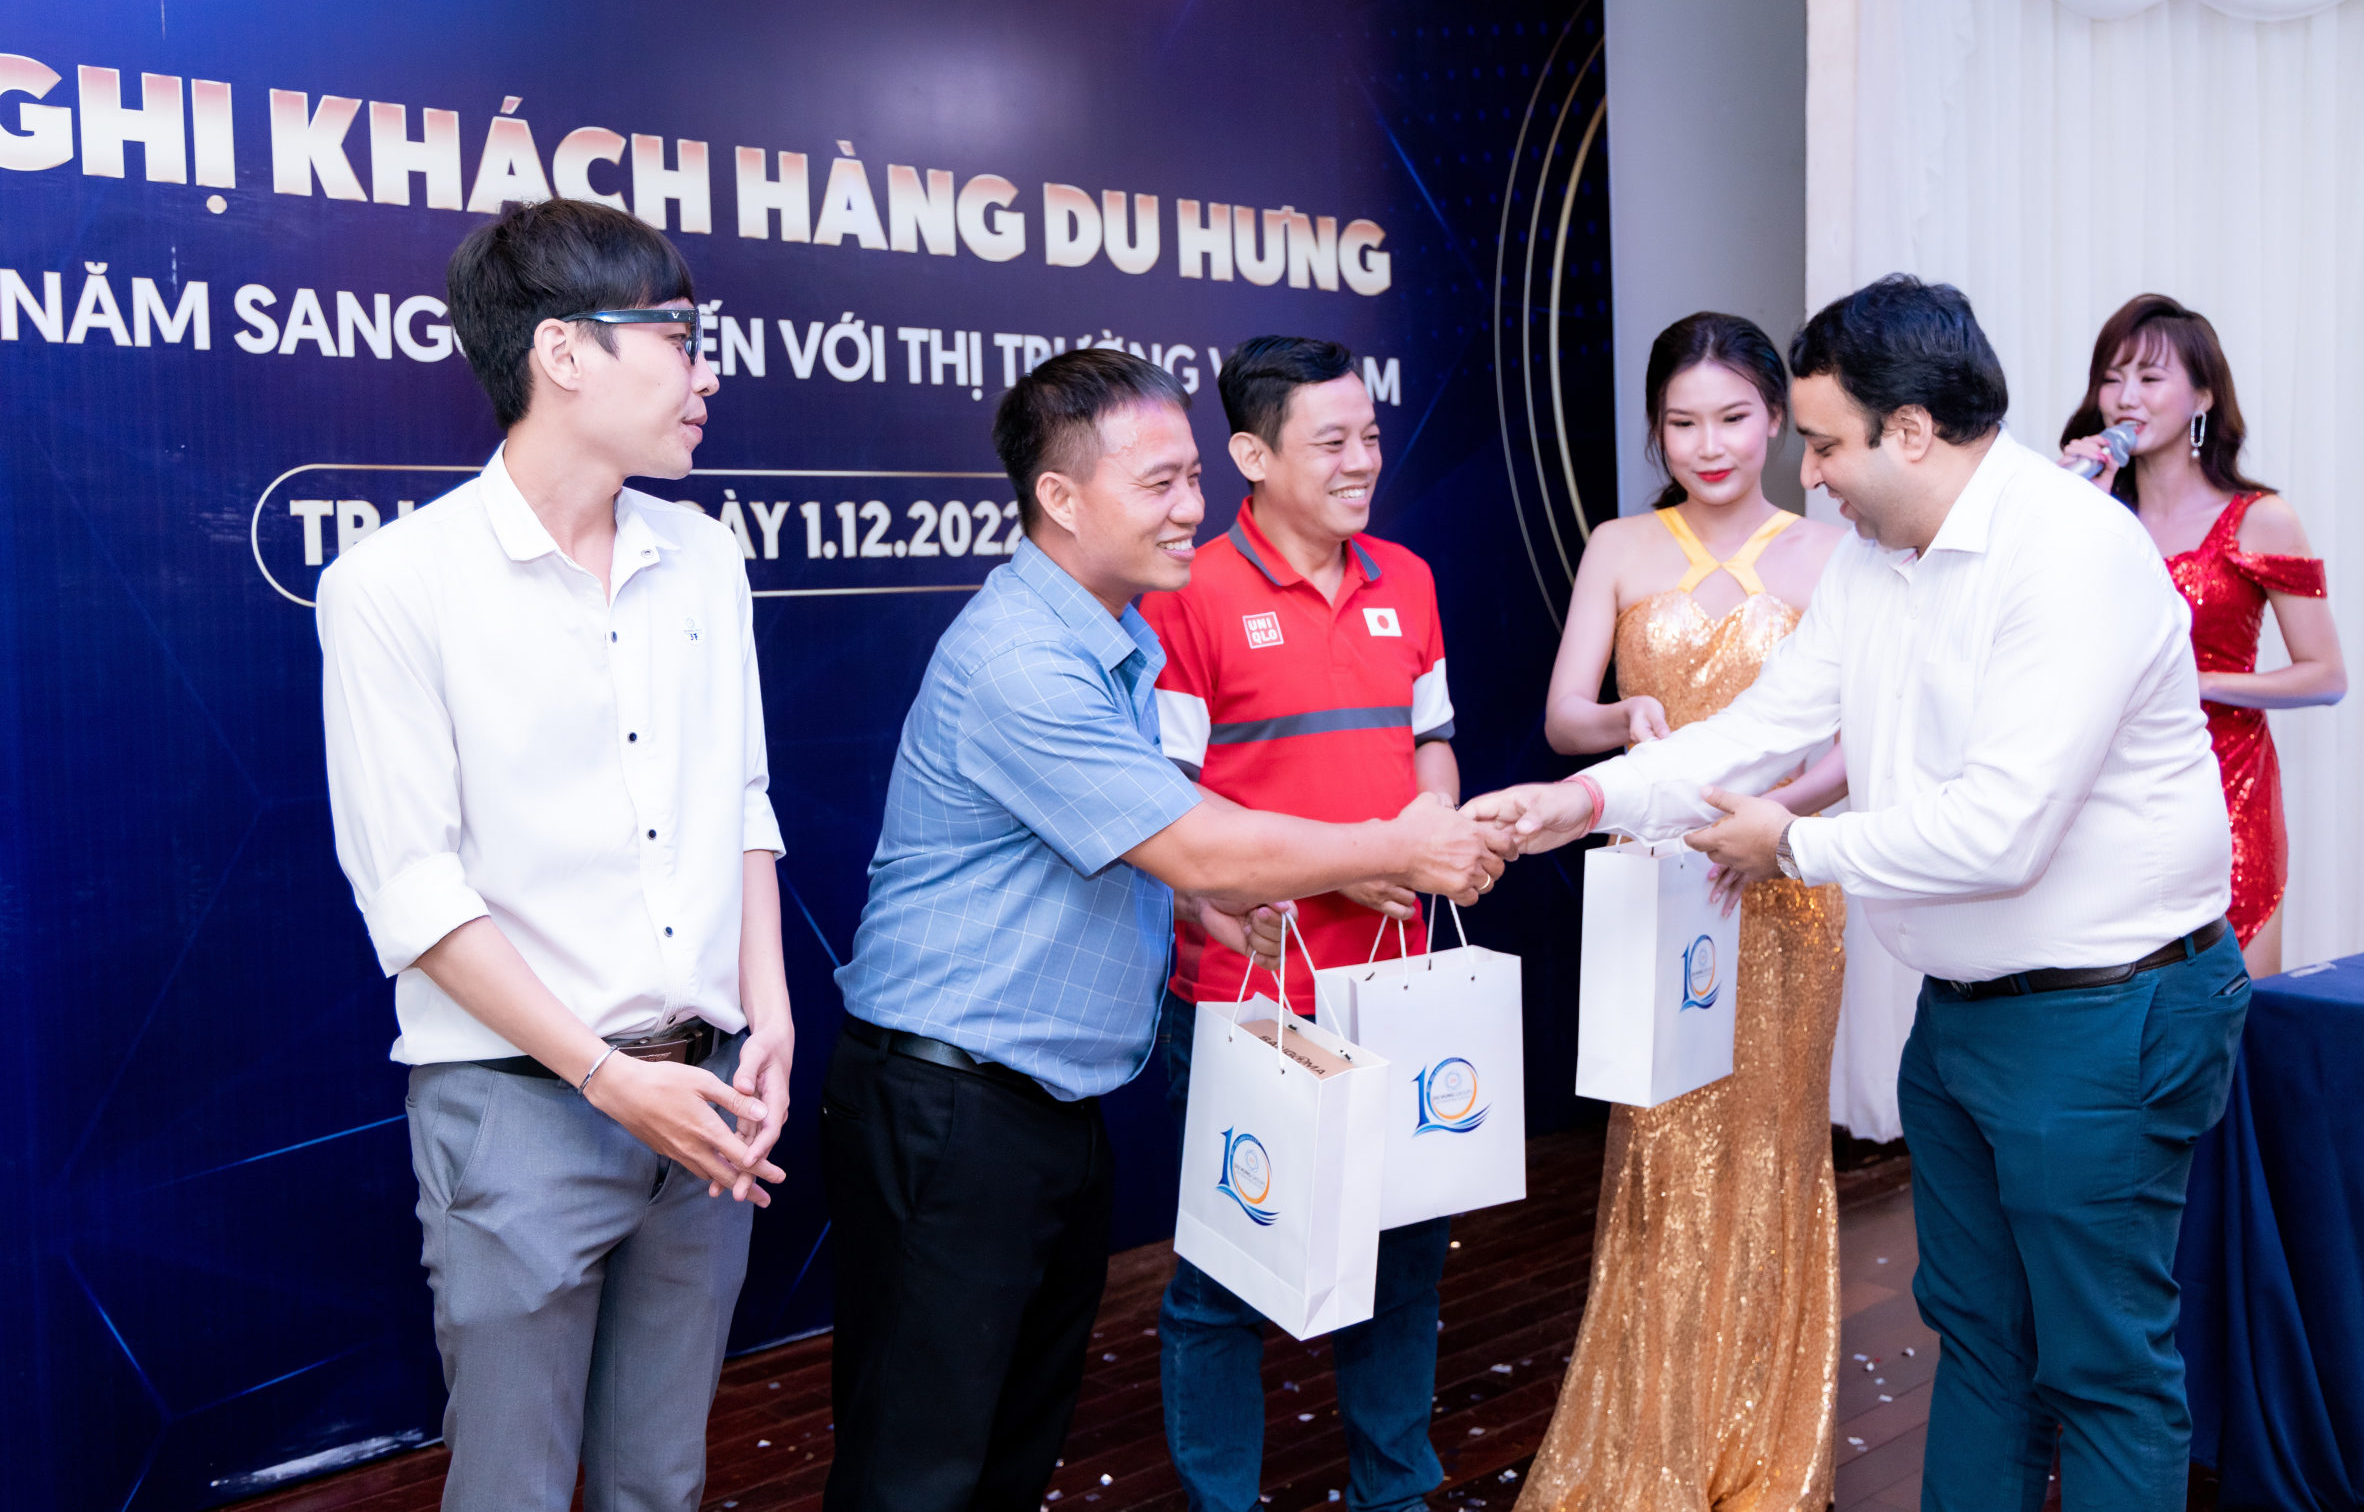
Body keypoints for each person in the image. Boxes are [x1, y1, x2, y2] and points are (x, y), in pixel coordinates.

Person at [1466, 276, 2247, 1512]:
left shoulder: (2072, 552)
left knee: (2101, 1369)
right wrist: (1584, 801)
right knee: (1979, 1343)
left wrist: (1789, 846)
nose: (1811, 473)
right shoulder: (1877, 564)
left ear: (1912, 431)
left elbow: (2001, 833)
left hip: (2108, 1014)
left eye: (1826, 443)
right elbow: (1765, 727)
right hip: (1964, 1013)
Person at [822, 347, 1510, 1512]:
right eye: (1160, 483)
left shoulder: (1114, 639)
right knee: (918, 1469)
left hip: (1039, 1102)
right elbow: (1193, 839)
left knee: (1005, 1449)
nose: (1192, 506)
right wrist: (1391, 847)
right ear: (1060, 496)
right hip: (954, 1111)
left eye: (1192, 476)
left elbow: (1130, 839)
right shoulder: (1025, 662)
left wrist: (1192, 898)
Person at [317, 199, 792, 1512]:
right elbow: (414, 893)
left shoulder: (704, 555)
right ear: (564, 351)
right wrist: (603, 1074)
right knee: (513, 1490)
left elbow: (741, 797)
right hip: (519, 1108)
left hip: (705, 1101)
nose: (707, 373)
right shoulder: (395, 583)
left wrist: (767, 1012)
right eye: (680, 337)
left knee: (661, 1481)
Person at [1515, 312, 1847, 1512]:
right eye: (1682, 422)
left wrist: (1774, 828)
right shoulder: (1617, 545)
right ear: (1655, 431)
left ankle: (1760, 1446)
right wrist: (1624, 722)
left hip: (1781, 889)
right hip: (1657, 887)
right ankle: (1649, 1447)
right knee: (1657, 1154)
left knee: (1771, 1152)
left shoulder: (1831, 554)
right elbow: (1565, 717)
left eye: (1732, 418)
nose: (1709, 445)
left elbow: (1855, 741)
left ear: (1777, 420)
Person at [1142, 336, 1463, 1512]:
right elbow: (1168, 806)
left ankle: (1395, 1491)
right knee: (1226, 1280)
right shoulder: (1186, 594)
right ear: (1250, 455)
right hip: (1250, 997)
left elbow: (1431, 743)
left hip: (1394, 982)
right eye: (1331, 442)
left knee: (1404, 1260)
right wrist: (1366, 855)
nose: (1362, 461)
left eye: (1369, 436)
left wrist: (1428, 823)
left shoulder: (1408, 579)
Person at [2061, 294, 2344, 978]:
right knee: (2119, 1005)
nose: (2126, 397)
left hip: (2226, 790)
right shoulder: (2086, 514)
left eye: (2150, 377)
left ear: (2204, 397)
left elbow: (2326, 675)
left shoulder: (2261, 518)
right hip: (2108, 789)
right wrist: (2072, 510)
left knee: (2234, 1007)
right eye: (2112, 378)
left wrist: (2199, 681)